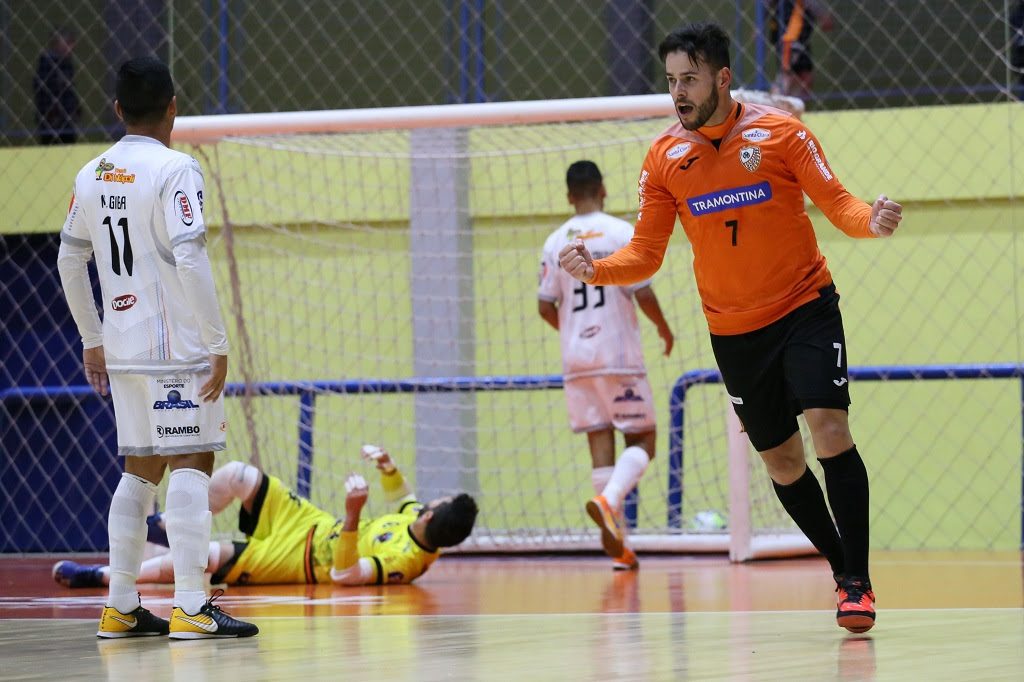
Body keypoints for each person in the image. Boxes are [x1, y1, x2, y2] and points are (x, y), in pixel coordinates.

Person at [558, 22, 902, 633]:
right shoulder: (665, 157)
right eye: (670, 80)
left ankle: (857, 581)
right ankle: (842, 566)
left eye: (689, 79)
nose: (678, 92)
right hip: (736, 331)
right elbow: (646, 253)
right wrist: (598, 269)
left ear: (721, 78)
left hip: (805, 307)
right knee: (783, 463)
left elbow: (839, 203)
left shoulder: (782, 132)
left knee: (829, 429)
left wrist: (869, 222)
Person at [55, 57, 257, 639]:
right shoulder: (177, 169)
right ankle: (191, 606)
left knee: (139, 470)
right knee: (192, 461)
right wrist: (217, 343)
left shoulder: (91, 174)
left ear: (117, 109)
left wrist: (93, 340)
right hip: (177, 347)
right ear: (174, 106)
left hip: (122, 346)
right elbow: (189, 257)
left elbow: (69, 259)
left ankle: (121, 605)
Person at [53, 445, 479, 587]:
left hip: (299, 561)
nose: (429, 500)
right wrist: (388, 467)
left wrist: (352, 515)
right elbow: (404, 496)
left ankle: (103, 577)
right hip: (310, 523)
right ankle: (165, 530)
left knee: (206, 556)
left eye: (437, 501)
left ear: (431, 516)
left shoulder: (405, 560)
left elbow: (345, 576)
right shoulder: (417, 521)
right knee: (238, 474)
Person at [538, 160, 674, 571]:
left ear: (568, 196)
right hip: (617, 352)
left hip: (577, 357)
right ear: (603, 189)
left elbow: (545, 305)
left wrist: (572, 331)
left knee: (599, 440)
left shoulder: (555, 241)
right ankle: (610, 500)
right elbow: (642, 291)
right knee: (644, 439)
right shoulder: (620, 232)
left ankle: (621, 549)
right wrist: (663, 328)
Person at [765, 0, 834, 100]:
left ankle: (789, 103)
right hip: (790, 38)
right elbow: (766, 5)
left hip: (800, 38)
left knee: (804, 76)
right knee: (787, 74)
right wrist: (822, 16)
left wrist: (822, 16)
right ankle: (774, 103)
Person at [33, 28, 81, 144]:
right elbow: (43, 90)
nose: (71, 47)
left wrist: (75, 107)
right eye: (68, 43)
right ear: (58, 44)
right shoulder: (47, 63)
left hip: (65, 119)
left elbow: (68, 89)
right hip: (52, 119)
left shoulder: (66, 64)